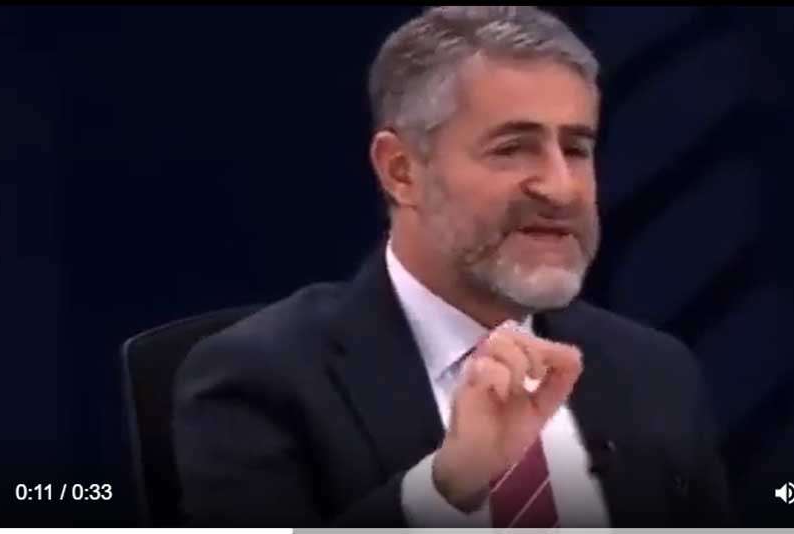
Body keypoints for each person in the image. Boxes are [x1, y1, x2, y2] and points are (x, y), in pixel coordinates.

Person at [173, 5, 732, 528]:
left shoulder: (656, 374)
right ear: (401, 171)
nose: (561, 189)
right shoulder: (259, 380)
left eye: (576, 149)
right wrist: (443, 492)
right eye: (512, 148)